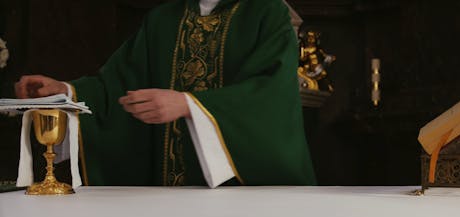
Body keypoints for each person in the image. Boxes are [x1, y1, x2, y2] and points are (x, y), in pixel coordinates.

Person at [14, 0, 317, 187]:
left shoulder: (267, 12)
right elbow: (117, 87)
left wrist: (189, 105)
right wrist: (65, 91)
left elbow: (270, 96)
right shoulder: (163, 19)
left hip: (243, 201)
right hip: (165, 192)